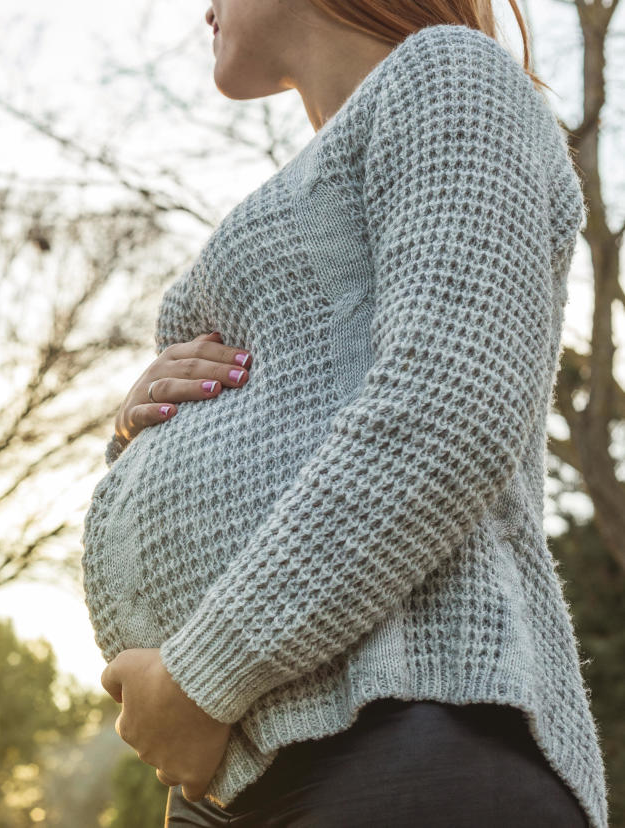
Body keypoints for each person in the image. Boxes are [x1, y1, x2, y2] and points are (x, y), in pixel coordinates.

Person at [79, 1, 610, 826]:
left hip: (409, 738)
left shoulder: (450, 76)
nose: (202, 7)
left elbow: (449, 406)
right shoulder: (314, 183)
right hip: (248, 773)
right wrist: (143, 434)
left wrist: (201, 675)